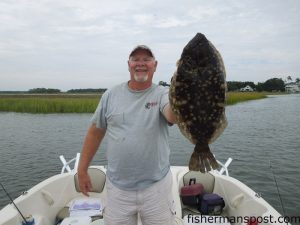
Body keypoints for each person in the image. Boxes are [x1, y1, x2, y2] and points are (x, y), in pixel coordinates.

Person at [77, 45, 177, 225]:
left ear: (155, 65)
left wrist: (183, 90)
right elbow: (95, 132)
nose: (141, 63)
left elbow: (172, 116)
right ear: (128, 64)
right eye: (135, 59)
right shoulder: (111, 95)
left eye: (146, 59)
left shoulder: (163, 94)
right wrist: (82, 169)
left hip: (156, 188)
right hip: (118, 189)